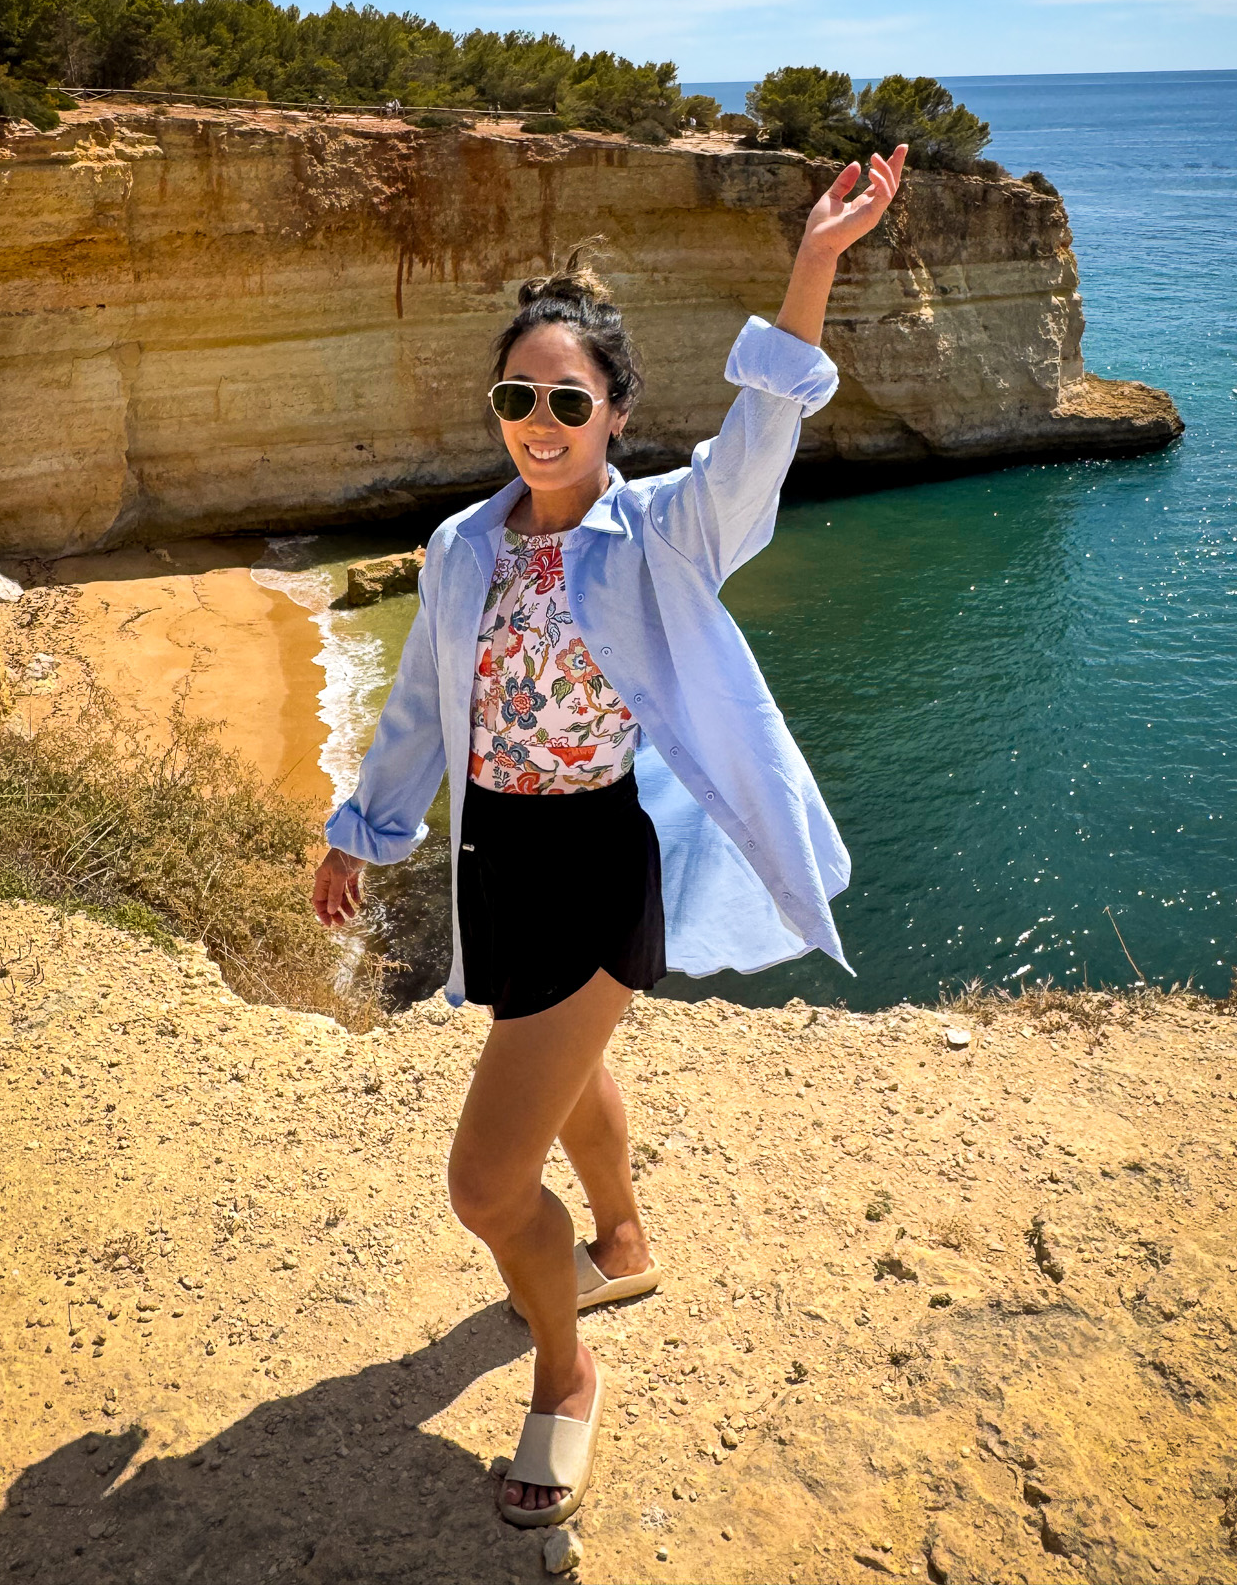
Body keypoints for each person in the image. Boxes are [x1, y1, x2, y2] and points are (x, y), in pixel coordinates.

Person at [311, 144, 908, 1528]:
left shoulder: (664, 535)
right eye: (515, 396)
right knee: (566, 1076)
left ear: (614, 413)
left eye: (564, 399)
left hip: (596, 870)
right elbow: (419, 709)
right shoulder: (463, 545)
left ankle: (568, 1377)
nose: (536, 420)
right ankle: (621, 1241)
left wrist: (813, 261)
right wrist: (363, 830)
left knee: (481, 1181)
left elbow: (760, 438)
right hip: (493, 867)